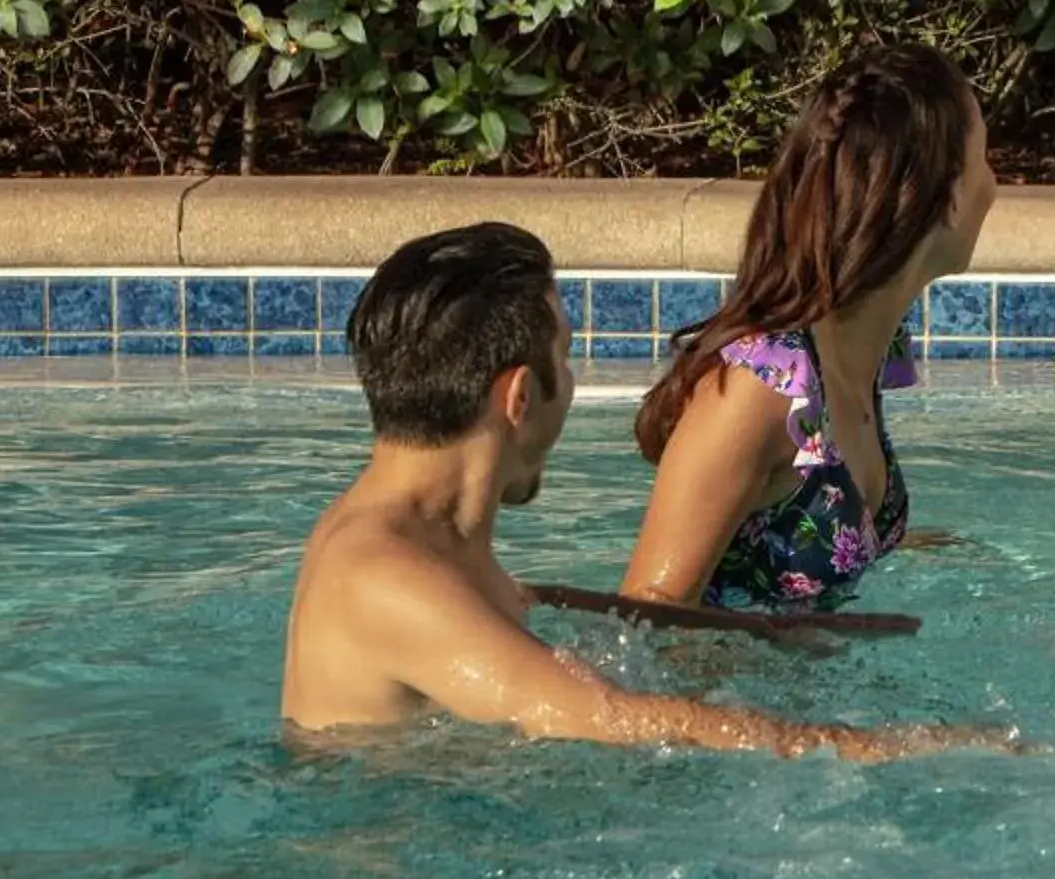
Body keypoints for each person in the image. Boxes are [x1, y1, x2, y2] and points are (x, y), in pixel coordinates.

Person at [280, 221, 1004, 760]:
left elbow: (513, 606)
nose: (574, 382)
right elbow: (611, 719)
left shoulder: (410, 533)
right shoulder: (388, 577)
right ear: (521, 397)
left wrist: (760, 632)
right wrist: (887, 745)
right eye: (566, 356)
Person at [620, 43, 995, 612]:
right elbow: (646, 619)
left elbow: (795, 534)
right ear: (948, 198)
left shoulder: (863, 353)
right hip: (736, 698)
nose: (995, 184)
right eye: (985, 158)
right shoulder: (763, 388)